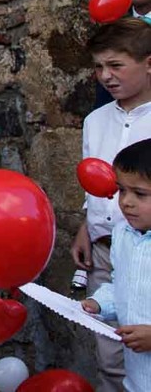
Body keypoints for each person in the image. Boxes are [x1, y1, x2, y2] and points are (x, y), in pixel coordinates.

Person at [72, 18, 151, 391]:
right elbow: (99, 184)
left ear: (148, 63)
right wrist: (88, 226)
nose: (105, 76)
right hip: (109, 251)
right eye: (99, 67)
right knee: (111, 358)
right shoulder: (94, 121)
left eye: (116, 65)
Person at [82, 138, 151, 391]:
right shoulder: (122, 234)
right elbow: (120, 284)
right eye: (122, 190)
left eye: (140, 194)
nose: (126, 202)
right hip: (138, 379)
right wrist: (99, 303)